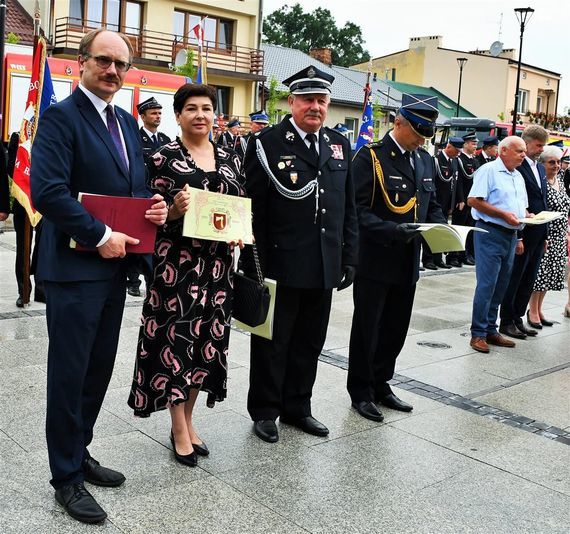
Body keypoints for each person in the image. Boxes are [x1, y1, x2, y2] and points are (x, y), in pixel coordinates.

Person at [30, 29, 168, 524]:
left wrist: (151, 207)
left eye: (121, 64)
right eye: (103, 61)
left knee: (97, 369)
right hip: (74, 269)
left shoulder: (127, 122)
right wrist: (99, 234)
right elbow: (47, 192)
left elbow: (134, 185)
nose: (112, 71)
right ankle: (65, 478)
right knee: (69, 375)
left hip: (114, 271)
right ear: (82, 63)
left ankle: (80, 450)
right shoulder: (60, 119)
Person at [128, 83, 246, 465]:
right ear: (178, 115)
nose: (200, 115)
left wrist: (241, 233)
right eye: (191, 108)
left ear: (215, 115)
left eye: (207, 108)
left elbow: (237, 206)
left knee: (205, 344)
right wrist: (175, 211)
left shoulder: (230, 156)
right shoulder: (162, 158)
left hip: (218, 269)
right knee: (176, 343)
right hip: (178, 267)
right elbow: (150, 218)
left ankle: (191, 418)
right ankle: (178, 425)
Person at [243, 65, 358, 443]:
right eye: (307, 100)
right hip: (281, 260)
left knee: (310, 341)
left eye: (321, 100)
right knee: (273, 342)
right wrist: (252, 262)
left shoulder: (339, 144)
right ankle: (265, 410)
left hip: (324, 261)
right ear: (291, 102)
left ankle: (297, 407)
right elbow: (252, 205)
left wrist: (350, 256)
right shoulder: (267, 143)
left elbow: (347, 207)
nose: (315, 107)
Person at [347, 94, 447, 422]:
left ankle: (381, 383)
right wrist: (393, 231)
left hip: (408, 261)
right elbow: (357, 212)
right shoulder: (370, 157)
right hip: (376, 260)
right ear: (398, 122)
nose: (422, 139)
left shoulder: (424, 160)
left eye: (426, 134)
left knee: (395, 328)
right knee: (368, 328)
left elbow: (430, 203)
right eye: (417, 132)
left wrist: (442, 229)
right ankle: (361, 391)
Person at [468, 136, 528, 353]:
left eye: (524, 151)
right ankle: (478, 333)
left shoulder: (517, 176)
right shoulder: (489, 171)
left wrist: (528, 220)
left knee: (501, 284)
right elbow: (474, 200)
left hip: (511, 235)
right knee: (487, 284)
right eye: (519, 150)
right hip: (490, 232)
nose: (523, 154)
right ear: (503, 151)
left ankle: (491, 329)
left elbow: (520, 208)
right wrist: (503, 215)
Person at [499, 125, 549, 340]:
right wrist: (518, 235)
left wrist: (545, 235)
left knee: (529, 279)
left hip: (538, 233)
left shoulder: (538, 168)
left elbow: (542, 200)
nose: (541, 150)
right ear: (526, 143)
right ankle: (507, 320)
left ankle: (518, 317)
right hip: (523, 232)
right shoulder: (518, 168)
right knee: (515, 278)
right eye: (538, 146)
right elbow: (516, 203)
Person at [125, 97, 172, 297]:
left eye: (160, 113)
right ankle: (133, 281)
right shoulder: (135, 138)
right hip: (141, 196)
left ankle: (150, 278)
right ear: (143, 116)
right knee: (137, 241)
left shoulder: (165, 140)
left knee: (154, 243)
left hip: (160, 199)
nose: (157, 116)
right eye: (153, 113)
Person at [527, 146, 570, 326]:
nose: (556, 166)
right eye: (551, 162)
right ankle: (532, 311)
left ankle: (539, 309)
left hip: (560, 235)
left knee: (551, 275)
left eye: (558, 162)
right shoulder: (541, 181)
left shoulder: (560, 180)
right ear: (542, 163)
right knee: (539, 275)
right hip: (546, 234)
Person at [7, 131, 45, 307]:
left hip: (45, 202)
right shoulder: (18, 137)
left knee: (43, 247)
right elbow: (10, 169)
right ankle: (23, 290)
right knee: (23, 248)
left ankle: (41, 289)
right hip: (23, 201)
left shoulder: (50, 135)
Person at [422, 136, 463, 270]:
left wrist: (454, 203)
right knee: (432, 232)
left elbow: (455, 183)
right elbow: (432, 181)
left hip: (447, 204)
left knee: (442, 232)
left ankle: (438, 258)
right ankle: (428, 259)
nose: (458, 153)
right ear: (449, 147)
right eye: (456, 150)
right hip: (436, 202)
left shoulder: (454, 161)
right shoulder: (436, 160)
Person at [448, 132, 480, 267]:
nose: (475, 146)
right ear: (465, 144)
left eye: (476, 144)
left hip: (472, 201)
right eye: (473, 144)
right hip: (462, 201)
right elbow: (458, 182)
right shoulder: (459, 160)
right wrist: (460, 199)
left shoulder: (474, 161)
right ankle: (453, 256)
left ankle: (464, 254)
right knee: (458, 228)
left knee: (468, 229)